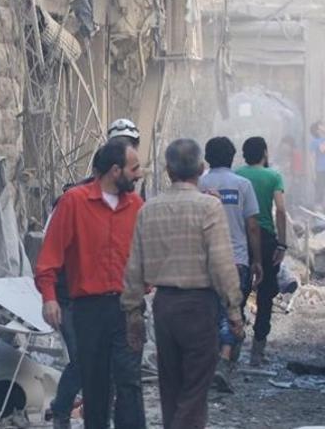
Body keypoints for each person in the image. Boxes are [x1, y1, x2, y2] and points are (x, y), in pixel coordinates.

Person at [123, 139, 243, 429]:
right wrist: (234, 310)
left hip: (164, 306)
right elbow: (222, 264)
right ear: (201, 169)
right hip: (199, 306)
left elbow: (134, 265)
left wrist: (133, 312)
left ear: (168, 171)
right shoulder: (208, 207)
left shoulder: (148, 209)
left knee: (171, 385)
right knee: (196, 388)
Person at [35, 140, 145, 429]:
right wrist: (49, 297)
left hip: (128, 307)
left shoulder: (136, 205)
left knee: (129, 382)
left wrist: (146, 286)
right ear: (114, 170)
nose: (139, 174)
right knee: (96, 385)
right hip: (89, 309)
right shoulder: (74, 202)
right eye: (134, 168)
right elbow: (50, 257)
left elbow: (147, 251)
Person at [198, 137, 262, 369]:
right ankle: (224, 356)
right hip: (237, 259)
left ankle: (215, 357)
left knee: (210, 310)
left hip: (204, 260)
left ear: (207, 158)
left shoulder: (198, 184)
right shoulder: (242, 184)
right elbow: (252, 226)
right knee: (232, 308)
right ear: (233, 157)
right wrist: (257, 260)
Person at [235, 136, 289, 366]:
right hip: (266, 238)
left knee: (239, 291)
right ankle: (258, 351)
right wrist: (282, 243)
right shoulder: (274, 176)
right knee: (266, 292)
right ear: (265, 153)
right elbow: (280, 210)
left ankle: (232, 348)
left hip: (240, 236)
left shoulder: (237, 175)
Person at [312, 121, 325, 206]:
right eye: (322, 126)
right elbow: (322, 150)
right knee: (320, 191)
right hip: (321, 169)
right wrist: (313, 172)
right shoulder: (316, 141)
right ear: (317, 130)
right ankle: (318, 209)